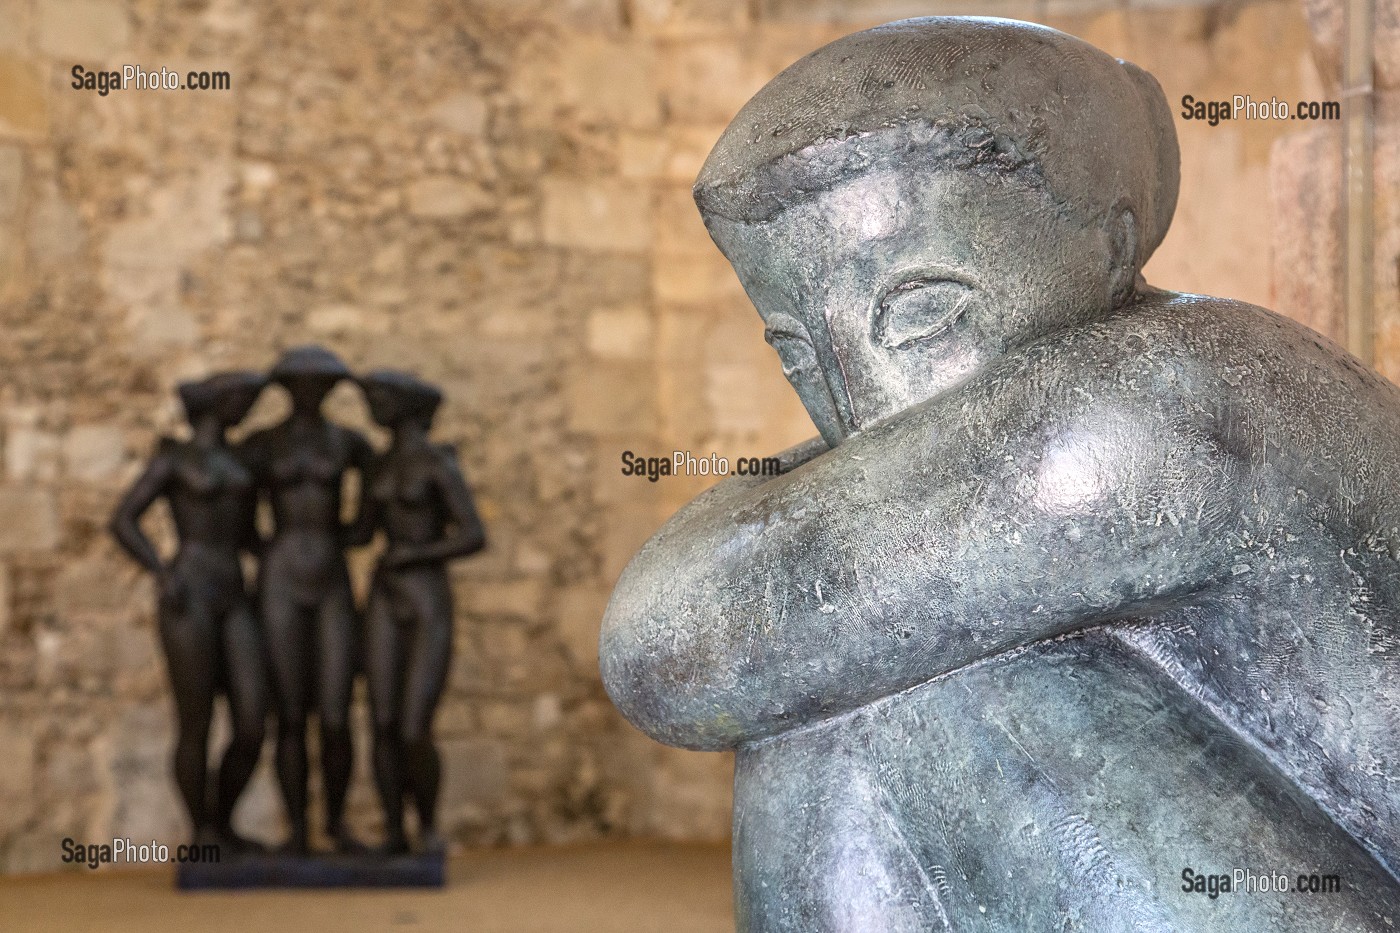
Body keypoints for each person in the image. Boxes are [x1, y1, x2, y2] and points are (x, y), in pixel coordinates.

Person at [602, 18, 1400, 930]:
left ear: (1111, 244)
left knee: (884, 679)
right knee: (856, 654)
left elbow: (663, 654)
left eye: (923, 312)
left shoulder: (1165, 401)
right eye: (800, 354)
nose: (865, 406)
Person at [110, 371, 268, 851]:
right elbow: (123, 520)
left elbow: (250, 536)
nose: (245, 406)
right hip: (190, 590)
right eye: (239, 397)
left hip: (233, 591)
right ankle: (201, 830)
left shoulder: (242, 461)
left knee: (252, 720)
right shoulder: (174, 460)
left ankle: (223, 819)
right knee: (196, 719)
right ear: (215, 404)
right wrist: (161, 569)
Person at [240, 345, 374, 854]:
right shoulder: (263, 446)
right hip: (280, 575)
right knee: (290, 712)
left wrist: (349, 533)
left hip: (330, 573)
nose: (311, 393)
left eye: (322, 384)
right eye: (301, 383)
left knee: (337, 712)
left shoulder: (348, 443)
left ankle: (336, 822)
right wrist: (269, 546)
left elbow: (371, 507)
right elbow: (239, 513)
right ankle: (297, 827)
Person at [358, 370, 485, 855]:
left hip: (426, 592)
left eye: (380, 398)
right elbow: (361, 531)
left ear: (406, 406)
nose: (373, 406)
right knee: (383, 720)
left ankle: (427, 826)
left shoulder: (436, 463)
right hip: (385, 594)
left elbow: (472, 534)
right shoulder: (379, 465)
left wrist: (415, 553)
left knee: (414, 724)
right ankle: (393, 829)